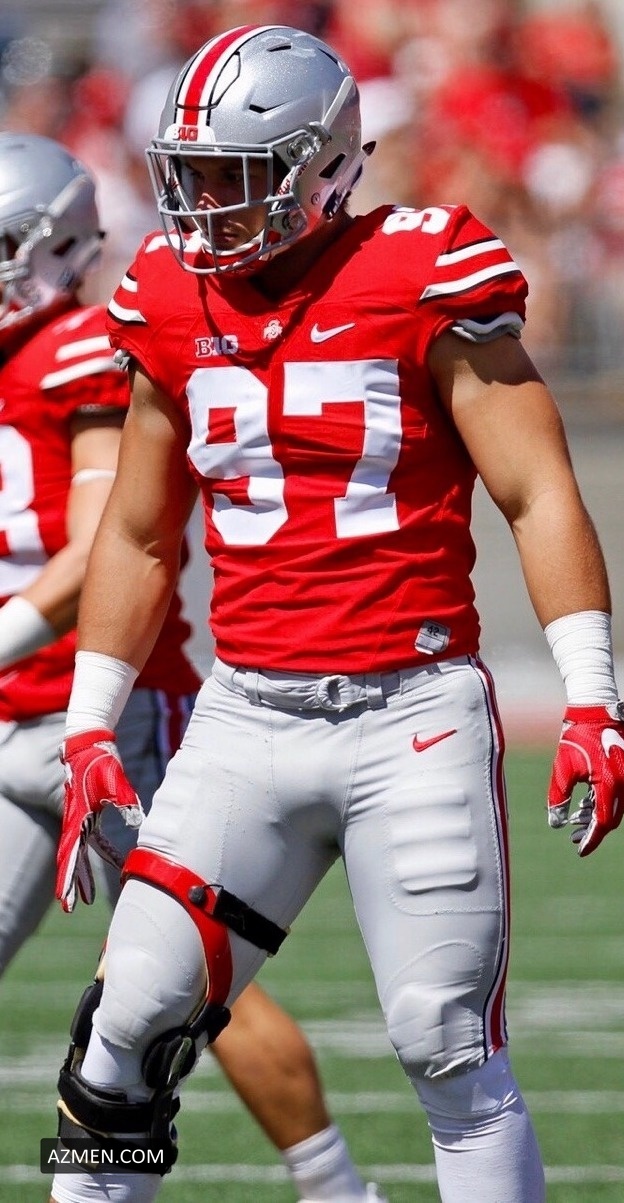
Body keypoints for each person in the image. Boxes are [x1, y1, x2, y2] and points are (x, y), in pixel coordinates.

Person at [49, 23, 624, 1203]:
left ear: (319, 167)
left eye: (233, 174)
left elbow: (534, 490)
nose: (204, 204)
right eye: (189, 173)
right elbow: (139, 531)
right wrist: (89, 720)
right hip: (244, 717)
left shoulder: (421, 267)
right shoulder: (166, 292)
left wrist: (591, 696)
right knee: (122, 1033)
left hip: (407, 718)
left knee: (445, 1046)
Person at [0, 130, 385, 1203]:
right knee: (137, 1007)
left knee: (172, 995)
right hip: (14, 723)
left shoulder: (82, 348)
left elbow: (99, 549)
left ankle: (336, 1189)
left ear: (56, 243)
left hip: (114, 724)